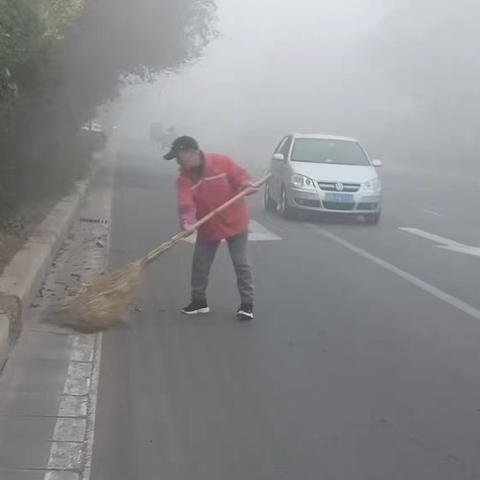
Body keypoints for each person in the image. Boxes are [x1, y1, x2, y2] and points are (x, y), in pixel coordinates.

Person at [164, 136, 256, 321]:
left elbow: (240, 176)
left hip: (235, 221)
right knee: (200, 264)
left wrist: (246, 185)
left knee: (241, 264)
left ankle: (247, 305)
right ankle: (199, 301)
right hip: (209, 225)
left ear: (190, 153)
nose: (177, 161)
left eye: (178, 156)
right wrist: (187, 222)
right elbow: (186, 204)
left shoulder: (221, 161)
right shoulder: (184, 179)